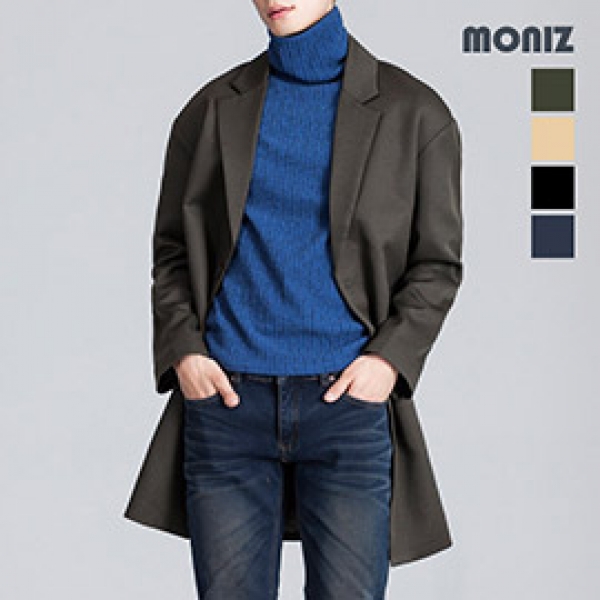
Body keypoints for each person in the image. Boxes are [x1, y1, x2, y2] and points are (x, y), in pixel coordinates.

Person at [128, 0, 463, 598]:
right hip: (227, 407)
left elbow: (436, 263)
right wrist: (186, 354)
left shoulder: (414, 113)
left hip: (347, 409)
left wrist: (387, 362)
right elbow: (172, 251)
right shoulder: (210, 110)